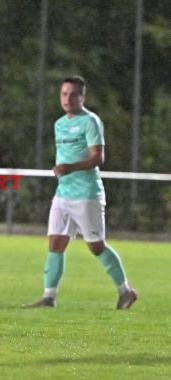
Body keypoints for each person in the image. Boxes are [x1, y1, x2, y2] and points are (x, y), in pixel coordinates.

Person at [26, 75, 137, 310]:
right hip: (63, 193)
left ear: (82, 97)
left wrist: (69, 168)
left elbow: (98, 156)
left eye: (73, 94)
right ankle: (48, 297)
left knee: (96, 245)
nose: (68, 98)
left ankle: (126, 291)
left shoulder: (90, 121)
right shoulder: (59, 123)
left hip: (87, 194)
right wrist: (62, 170)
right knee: (55, 242)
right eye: (64, 93)